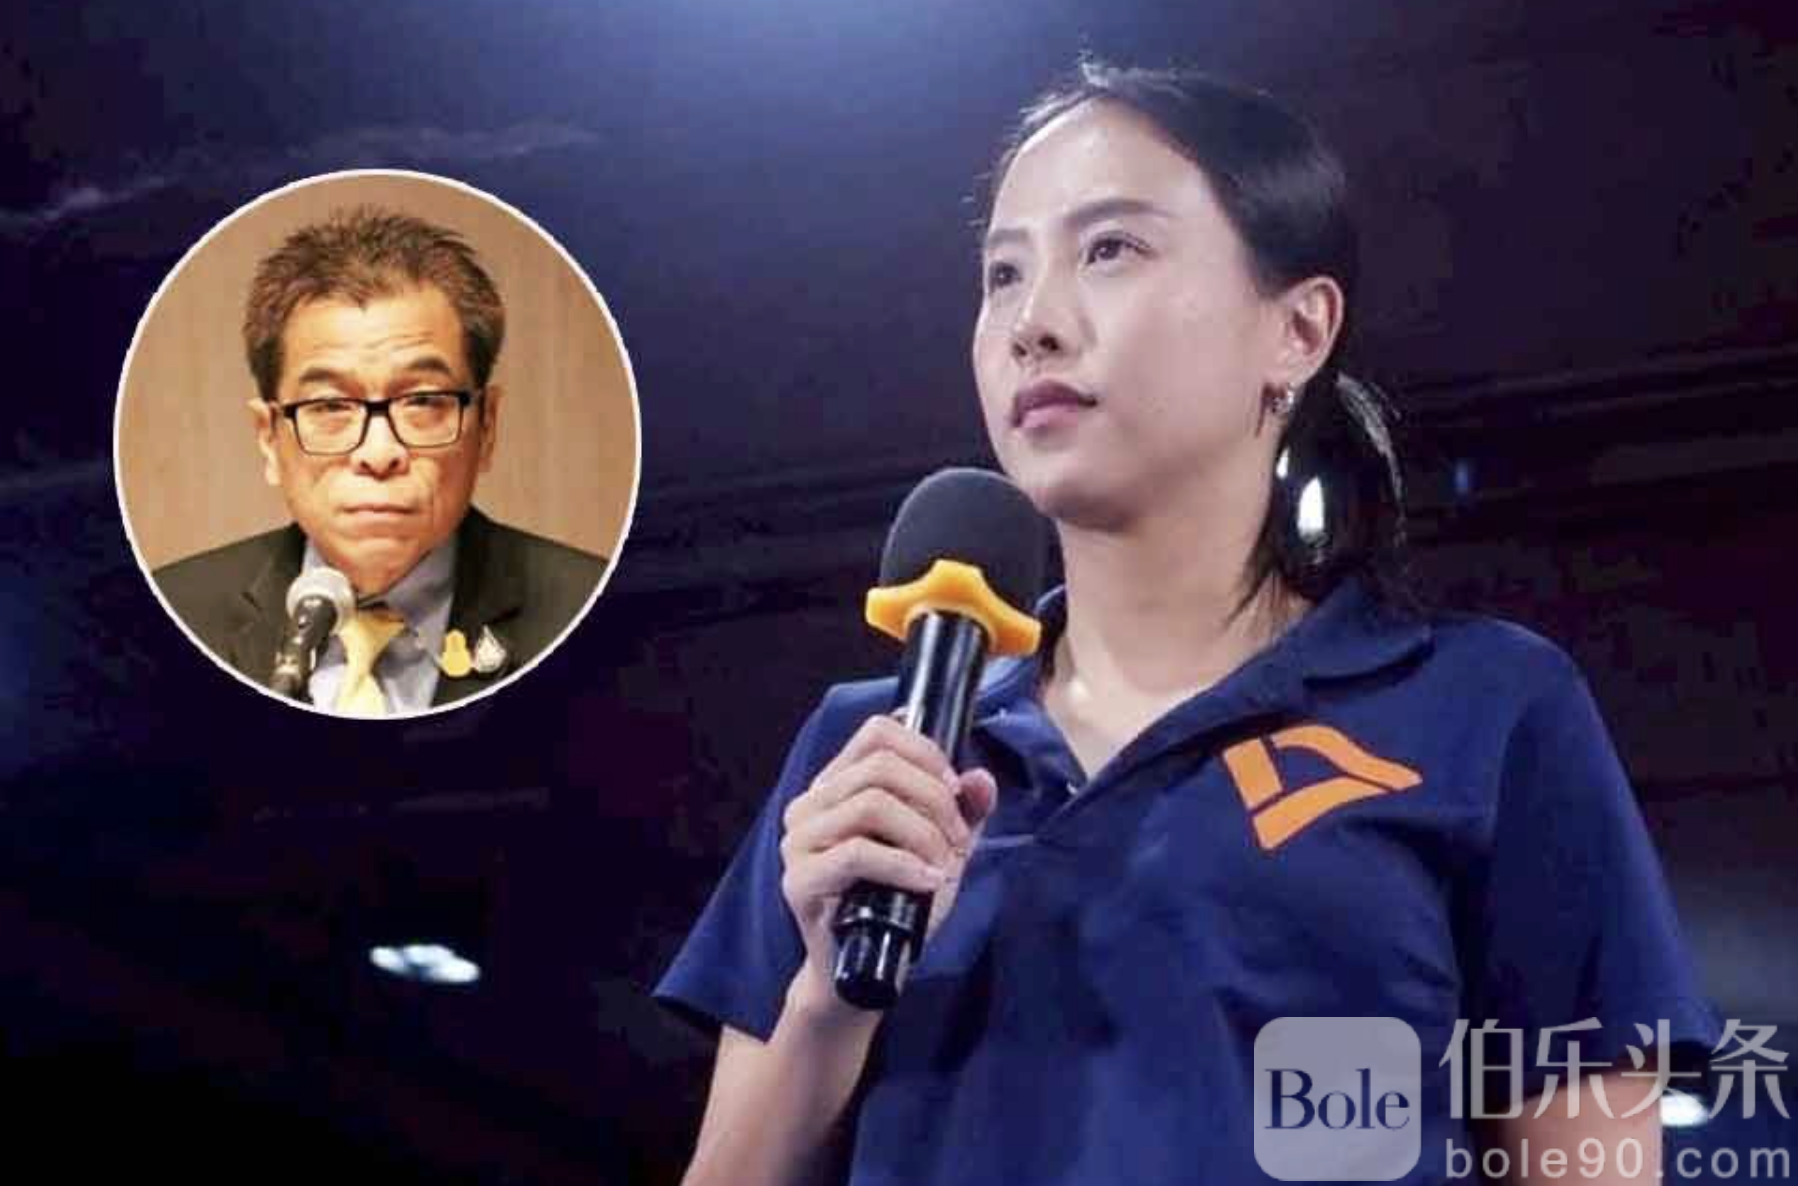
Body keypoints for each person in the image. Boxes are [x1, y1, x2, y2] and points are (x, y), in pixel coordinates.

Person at [655, 63, 1719, 1184]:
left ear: (1297, 330)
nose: (1032, 324)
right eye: (1003, 273)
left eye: (1109, 249)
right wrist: (828, 1001)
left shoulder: (1485, 709)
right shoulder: (873, 753)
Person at [152, 206, 607, 715]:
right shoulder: (169, 617)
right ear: (268, 439)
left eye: (422, 401)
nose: (378, 453)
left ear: (487, 427)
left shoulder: (593, 611)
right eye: (330, 406)